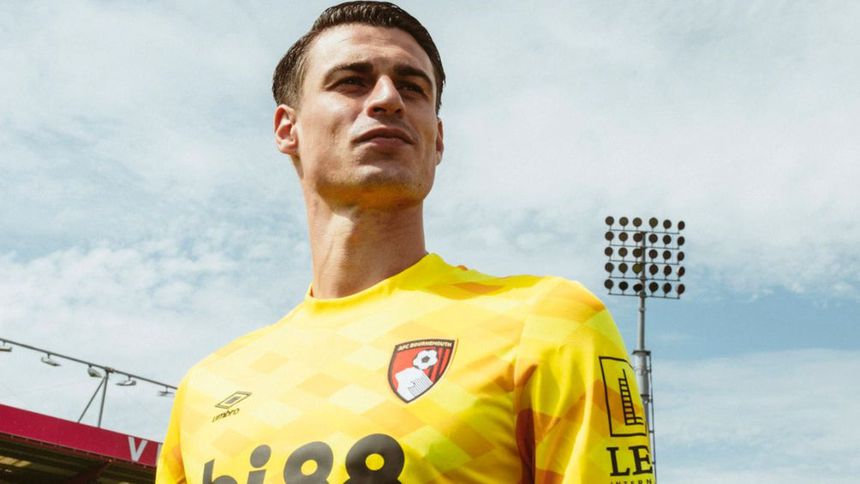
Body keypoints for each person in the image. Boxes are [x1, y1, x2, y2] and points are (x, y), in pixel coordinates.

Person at [156, 2, 653, 483]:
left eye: (413, 88)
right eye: (352, 81)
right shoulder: (206, 388)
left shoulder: (547, 323)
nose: (388, 99)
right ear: (288, 129)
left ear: (437, 140)